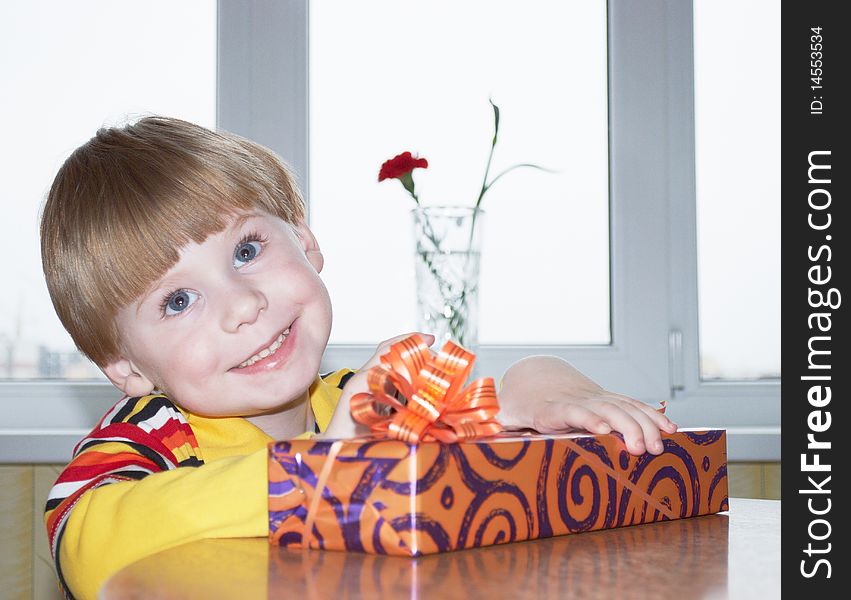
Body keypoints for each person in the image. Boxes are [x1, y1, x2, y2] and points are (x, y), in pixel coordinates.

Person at [41, 116, 677, 600]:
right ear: (127, 369)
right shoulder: (148, 435)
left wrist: (545, 391)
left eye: (246, 250)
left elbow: (497, 407)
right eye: (178, 300)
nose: (241, 305)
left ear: (306, 241)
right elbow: (85, 540)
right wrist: (315, 472)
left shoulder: (366, 398)